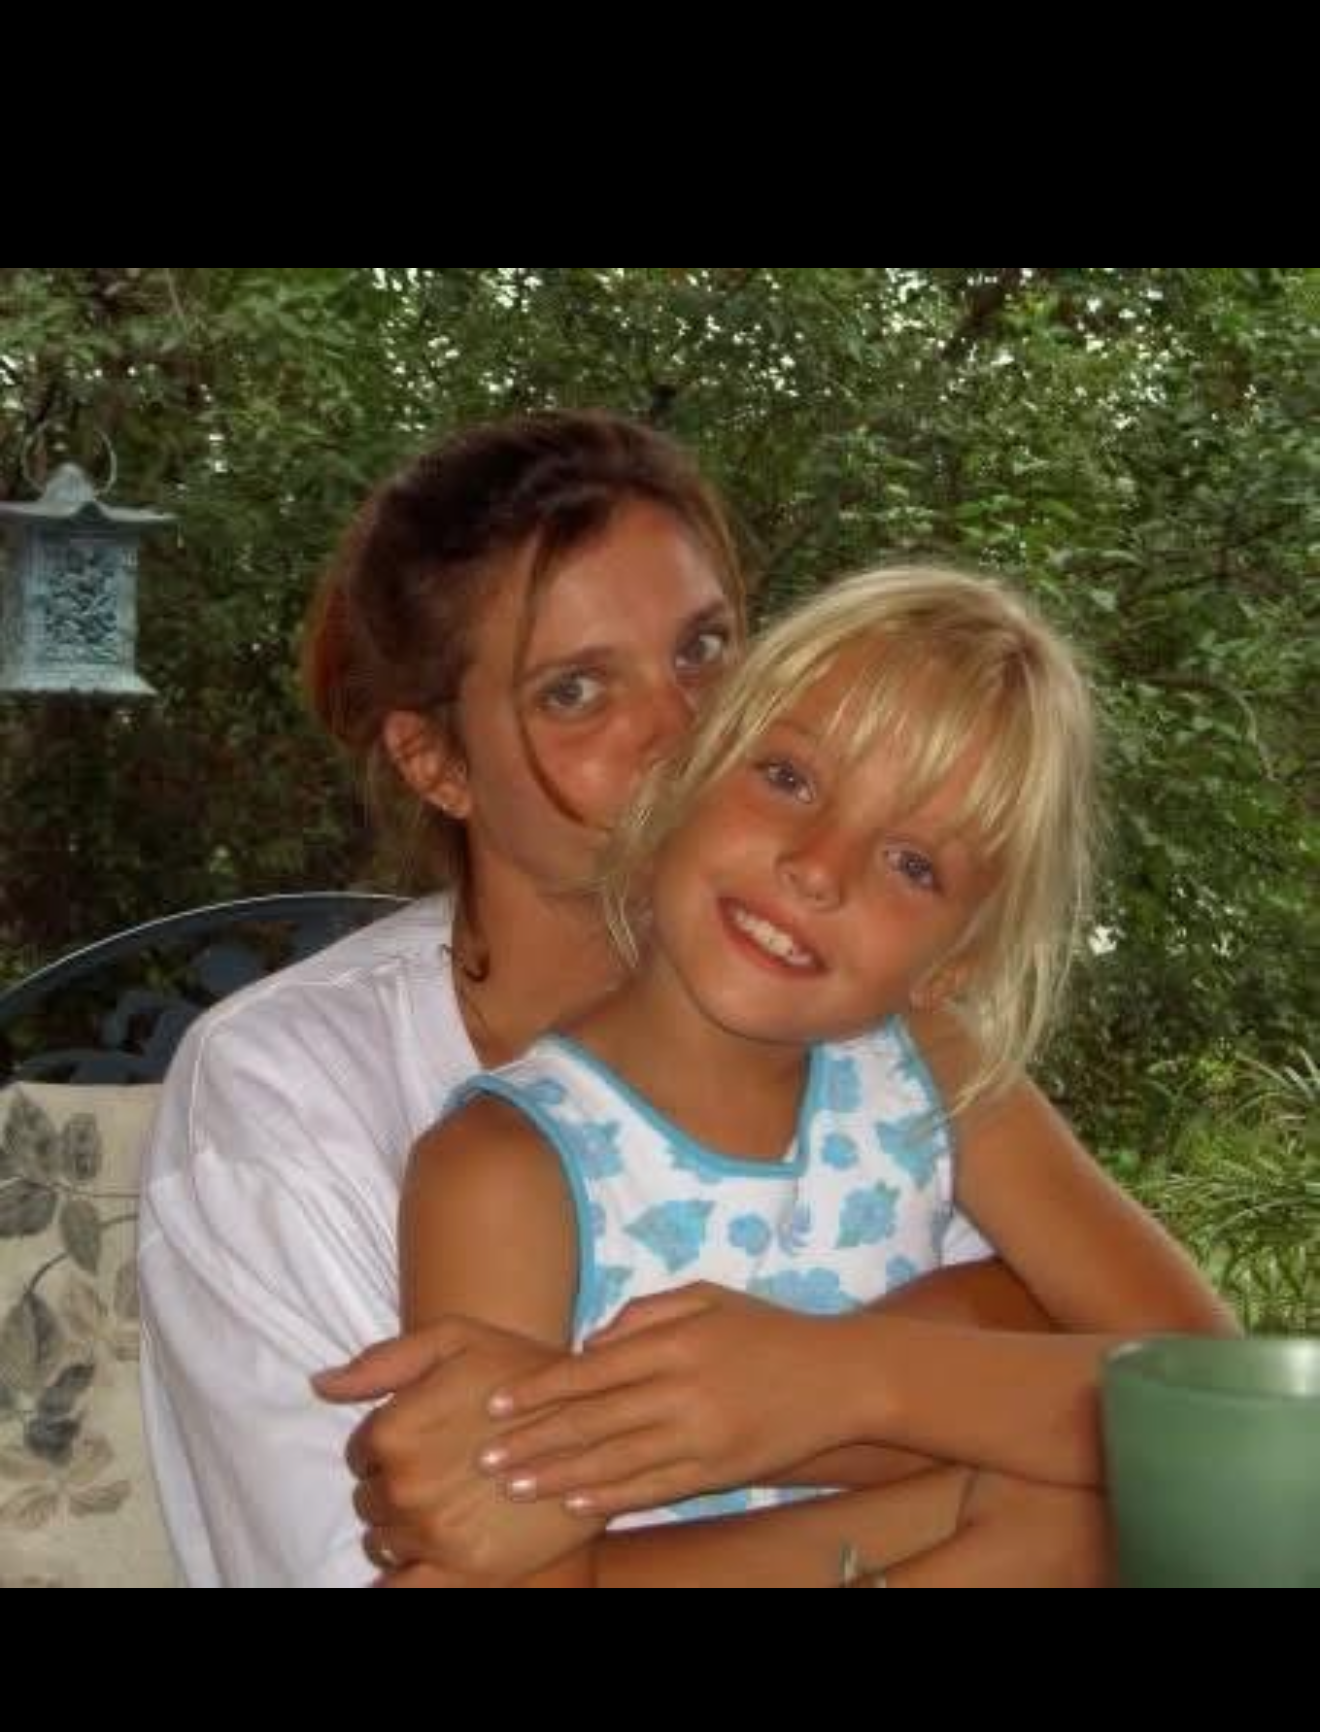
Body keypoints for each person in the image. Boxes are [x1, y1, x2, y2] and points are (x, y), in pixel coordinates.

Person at [137, 413, 1160, 1589]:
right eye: (574, 691)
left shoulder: (871, 1035)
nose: (684, 730)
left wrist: (836, 1384)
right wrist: (973, 1474)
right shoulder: (299, 1096)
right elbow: (434, 1554)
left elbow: (1172, 1387)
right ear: (439, 763)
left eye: (706, 649)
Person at [394, 561, 1233, 1587]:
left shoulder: (929, 1069)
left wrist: (851, 1382)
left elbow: (1220, 1398)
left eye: (915, 865)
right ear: (688, 771)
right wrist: (957, 1498)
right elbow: (504, 1554)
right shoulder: (503, 1170)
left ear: (955, 962)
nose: (819, 867)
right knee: (1066, 1507)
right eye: (788, 779)